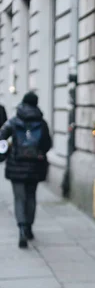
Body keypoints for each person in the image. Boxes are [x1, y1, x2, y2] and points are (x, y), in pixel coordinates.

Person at [0, 92, 52, 248]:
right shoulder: (42, 122)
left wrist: (6, 152)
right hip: (35, 166)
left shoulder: (14, 121)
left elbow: (1, 136)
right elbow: (47, 144)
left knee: (19, 198)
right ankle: (29, 227)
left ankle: (21, 228)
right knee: (31, 196)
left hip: (16, 165)